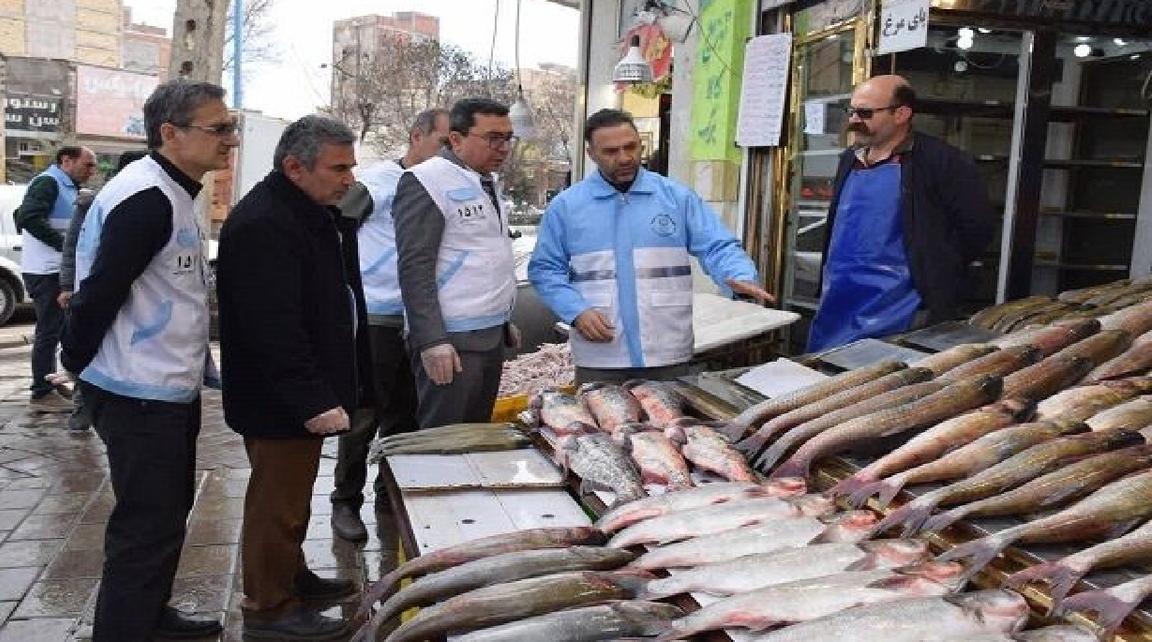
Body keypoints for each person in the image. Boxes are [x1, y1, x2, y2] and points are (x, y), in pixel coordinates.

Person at [59, 79, 235, 642]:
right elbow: (98, 294)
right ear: (170, 133)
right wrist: (79, 366)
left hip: (164, 386)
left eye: (230, 127)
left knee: (165, 514)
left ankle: (150, 614)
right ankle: (125, 630)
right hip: (137, 391)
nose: (229, 139)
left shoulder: (172, 190)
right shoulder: (147, 199)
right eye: (219, 128)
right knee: (145, 524)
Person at [218, 115, 372, 641]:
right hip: (279, 400)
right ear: (294, 167)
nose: (349, 178)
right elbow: (273, 328)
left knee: (294, 499)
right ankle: (267, 607)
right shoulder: (265, 222)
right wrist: (311, 397)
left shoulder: (305, 210)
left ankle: (290, 577)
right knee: (275, 505)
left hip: (299, 394)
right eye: (339, 167)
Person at [529, 108, 773, 384]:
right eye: (610, 151)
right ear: (590, 154)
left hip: (667, 349)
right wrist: (576, 311)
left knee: (670, 425)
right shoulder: (567, 207)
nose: (624, 158)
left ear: (641, 144)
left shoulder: (676, 197)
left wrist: (739, 275)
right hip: (600, 353)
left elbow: (717, 245)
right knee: (600, 425)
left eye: (631, 147)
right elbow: (545, 270)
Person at [806, 74, 993, 352]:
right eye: (852, 111)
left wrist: (935, 269)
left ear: (902, 114)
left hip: (903, 310)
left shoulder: (942, 162)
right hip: (839, 303)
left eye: (866, 113)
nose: (855, 119)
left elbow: (977, 229)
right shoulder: (850, 160)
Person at [330, 108, 450, 542]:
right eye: (442, 142)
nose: (448, 152)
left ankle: (389, 494)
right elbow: (335, 227)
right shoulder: (380, 182)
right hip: (376, 315)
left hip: (420, 318)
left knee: (406, 413)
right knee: (363, 413)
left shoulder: (444, 184)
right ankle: (345, 501)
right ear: (416, 136)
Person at [394, 98, 519, 428]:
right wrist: (432, 339)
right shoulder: (428, 180)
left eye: (508, 138)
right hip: (450, 341)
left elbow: (484, 257)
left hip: (489, 336)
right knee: (442, 444)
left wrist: (505, 319)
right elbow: (414, 266)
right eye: (493, 138)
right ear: (457, 138)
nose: (504, 147)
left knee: (474, 438)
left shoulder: (485, 181)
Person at [57, 149, 145, 433]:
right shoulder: (95, 203)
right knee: (90, 345)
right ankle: (82, 406)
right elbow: (73, 248)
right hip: (93, 290)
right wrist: (68, 286)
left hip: (135, 299)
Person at [15, 144, 96, 414]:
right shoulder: (48, 182)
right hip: (46, 271)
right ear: (66, 161)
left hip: (56, 270)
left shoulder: (68, 187)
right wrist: (64, 245)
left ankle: (50, 382)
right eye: (88, 165)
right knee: (49, 331)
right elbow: (26, 216)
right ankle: (41, 392)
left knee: (60, 330)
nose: (92, 171)